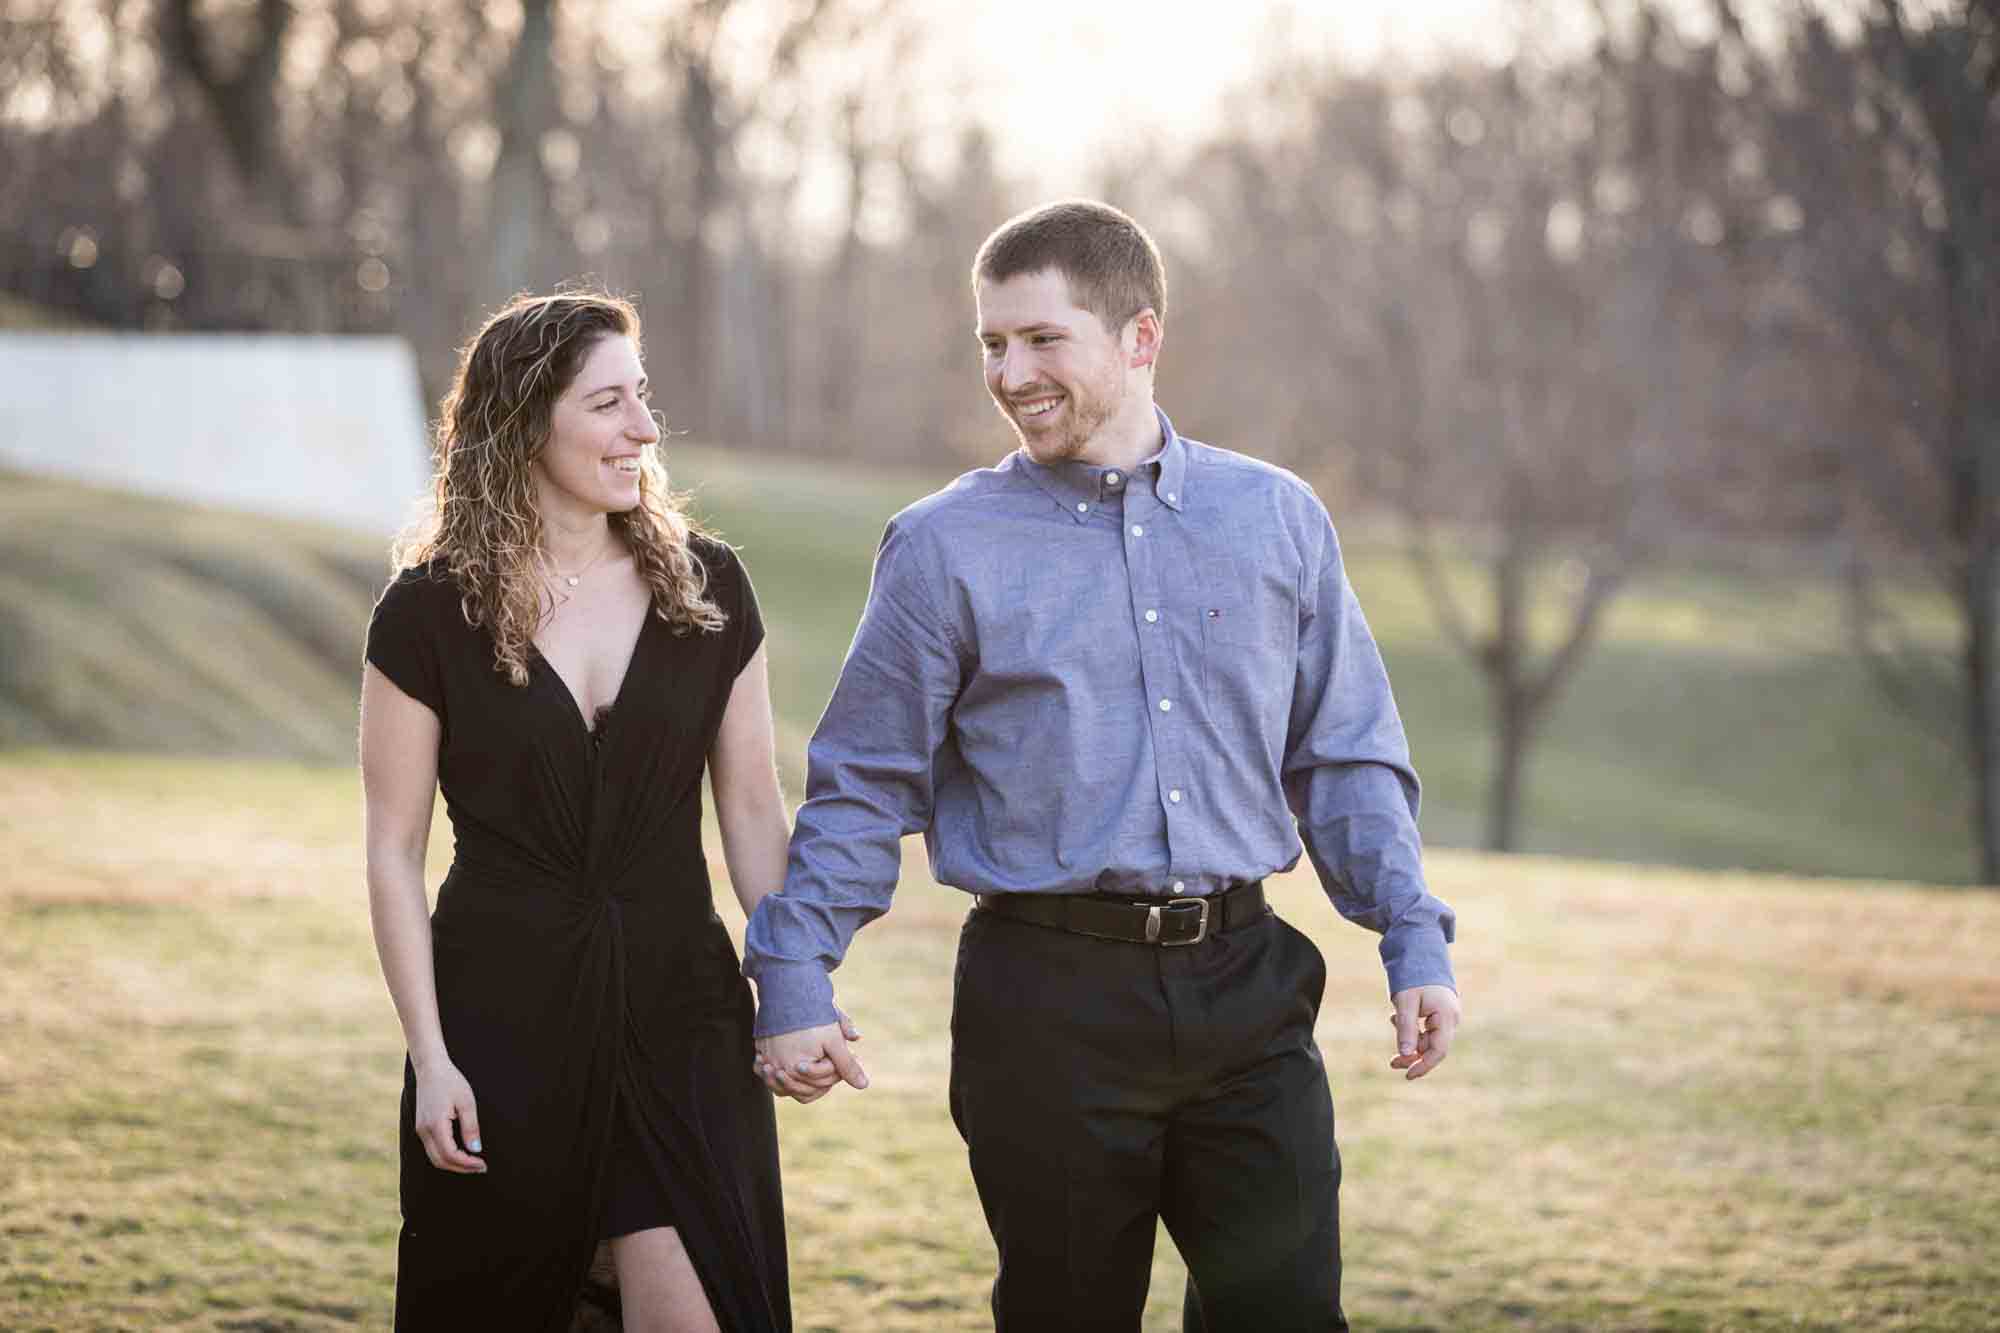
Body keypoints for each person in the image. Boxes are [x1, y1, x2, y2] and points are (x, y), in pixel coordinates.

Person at [742, 200, 1462, 1331]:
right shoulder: (941, 546)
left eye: (1041, 340)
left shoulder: (1274, 517)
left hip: (1247, 990)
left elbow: (1344, 754)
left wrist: (1409, 932)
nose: (1009, 373)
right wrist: (794, 972)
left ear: (1139, 338)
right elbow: (866, 783)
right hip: (1045, 1007)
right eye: (990, 343)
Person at [360, 291, 812, 1332]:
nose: (644, 430)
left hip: (679, 1018)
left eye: (642, 398)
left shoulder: (709, 589)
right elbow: (392, 851)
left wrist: (796, 987)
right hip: (497, 1031)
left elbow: (750, 811)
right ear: (527, 422)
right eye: (609, 403)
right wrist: (432, 1058)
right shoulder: (427, 612)